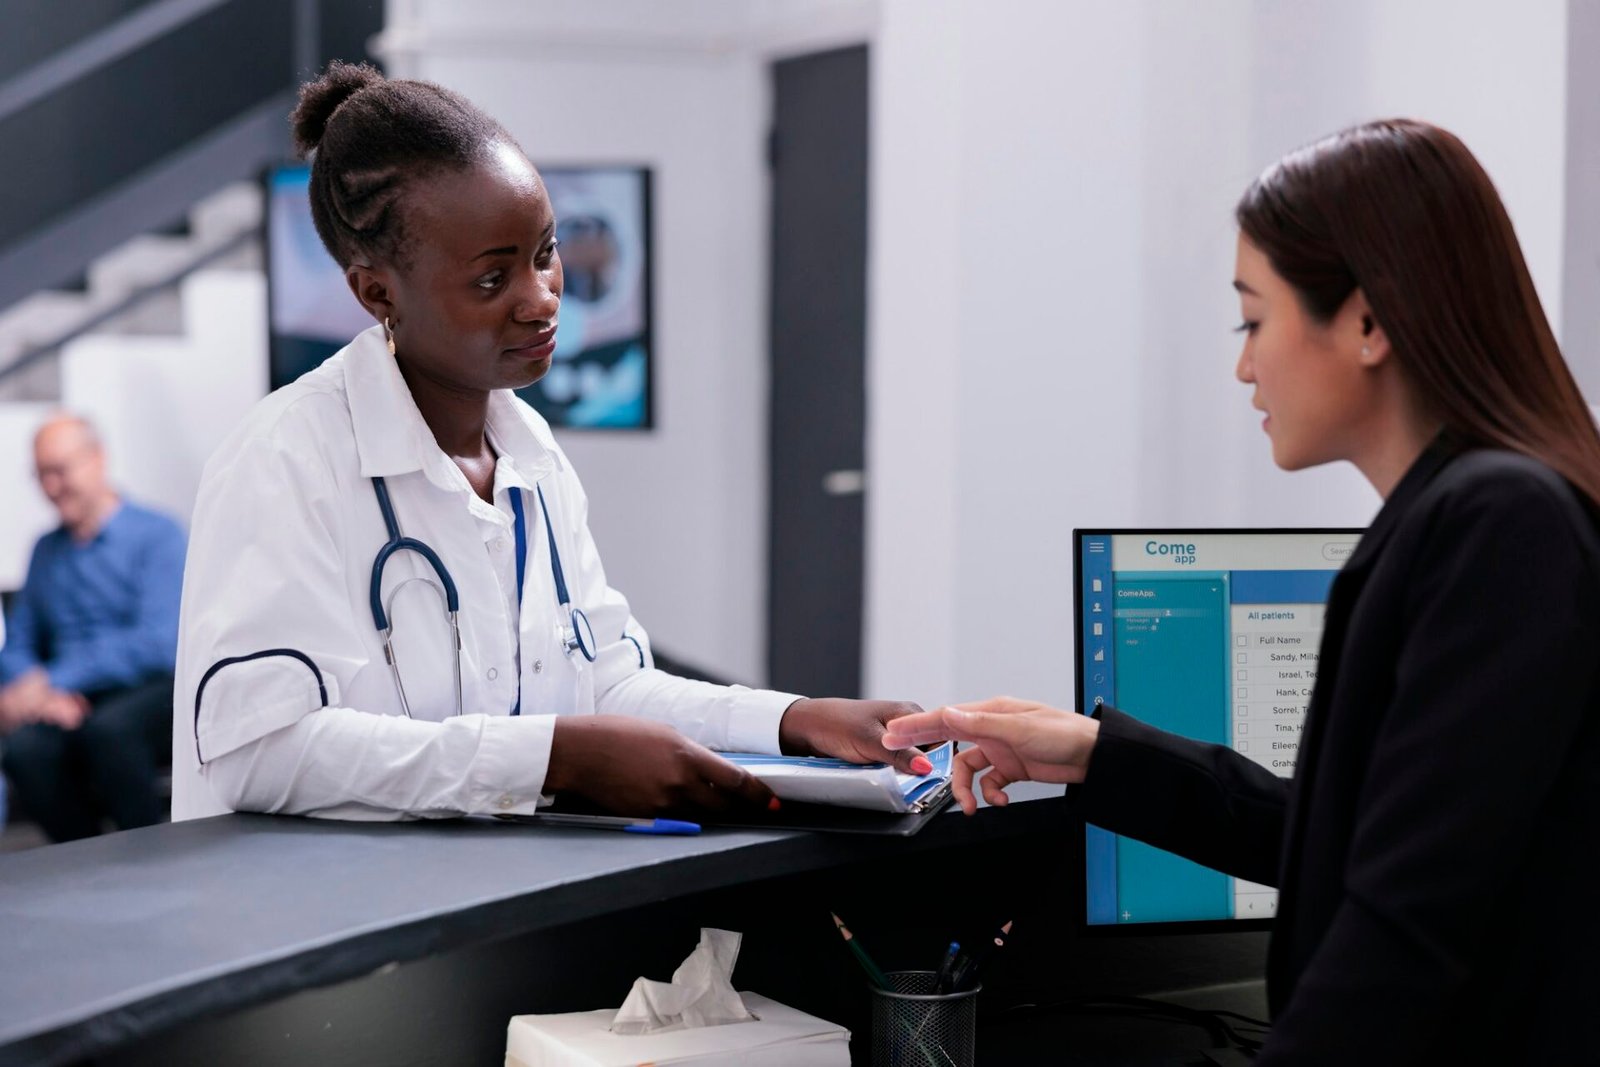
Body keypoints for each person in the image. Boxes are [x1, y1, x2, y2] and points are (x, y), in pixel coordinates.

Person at [882, 119, 1600, 1063]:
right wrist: (1098, 752)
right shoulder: (1465, 515)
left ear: (1369, 319)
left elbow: (1404, 929)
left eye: (1253, 320)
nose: (1244, 364)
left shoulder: (1500, 522)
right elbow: (1347, 841)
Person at [172, 62, 929, 823]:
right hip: (334, 927)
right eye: (491, 279)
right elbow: (258, 754)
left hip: (490, 913)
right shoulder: (284, 458)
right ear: (377, 293)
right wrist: (555, 757)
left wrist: (793, 720)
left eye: (544, 253)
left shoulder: (528, 450)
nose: (541, 299)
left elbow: (606, 681)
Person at [0, 414, 186, 841]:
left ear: (97, 460)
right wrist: (33, 687)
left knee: (110, 732)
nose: (51, 487)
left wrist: (54, 679)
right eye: (42, 474)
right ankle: (83, 858)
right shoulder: (45, 550)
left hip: (147, 690)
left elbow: (160, 643)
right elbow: (18, 641)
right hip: (66, 697)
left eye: (60, 471)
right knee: (26, 751)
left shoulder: (158, 535)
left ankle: (149, 856)